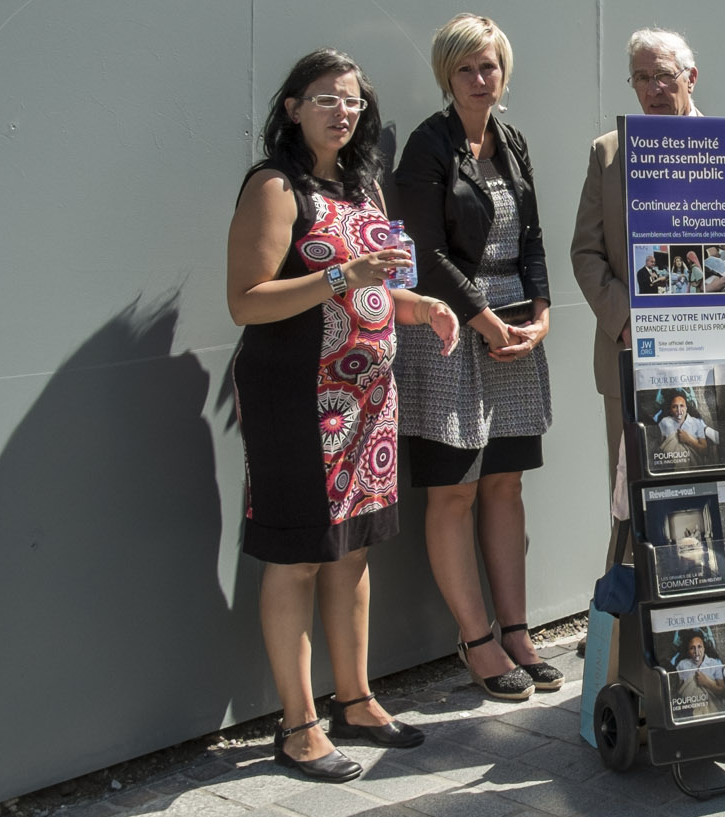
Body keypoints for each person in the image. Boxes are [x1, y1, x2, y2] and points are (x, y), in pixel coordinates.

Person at [227, 49, 458, 783]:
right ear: (293, 107)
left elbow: (377, 286)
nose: (342, 111)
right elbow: (246, 301)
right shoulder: (274, 186)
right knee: (297, 558)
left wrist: (421, 307)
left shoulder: (364, 189)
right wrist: (339, 276)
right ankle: (298, 727)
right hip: (297, 400)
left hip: (367, 403)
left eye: (353, 100)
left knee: (352, 552)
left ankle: (355, 700)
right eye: (326, 98)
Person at [394, 14, 560, 702]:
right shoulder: (428, 145)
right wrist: (482, 319)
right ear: (447, 74)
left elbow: (533, 236)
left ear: (503, 71)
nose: (479, 78)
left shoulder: (511, 141)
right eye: (465, 68)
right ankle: (477, 638)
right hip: (449, 330)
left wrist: (542, 312)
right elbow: (424, 252)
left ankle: (517, 631)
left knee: (505, 483)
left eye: (488, 65)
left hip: (512, 326)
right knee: (454, 489)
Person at [573, 27, 704, 564]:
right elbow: (586, 252)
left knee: (710, 489)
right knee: (634, 501)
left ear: (690, 78)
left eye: (664, 76)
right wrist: (627, 323)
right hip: (631, 354)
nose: (653, 89)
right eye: (641, 78)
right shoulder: (609, 154)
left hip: (709, 354)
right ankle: (626, 611)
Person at [671, 631, 725, 717]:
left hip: (711, 704)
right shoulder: (682, 665)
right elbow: (678, 689)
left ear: (704, 648)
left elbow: (722, 690)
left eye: (699, 647)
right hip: (690, 706)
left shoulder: (714, 663)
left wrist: (707, 682)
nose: (696, 651)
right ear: (688, 651)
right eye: (692, 648)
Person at [654, 392, 714, 467]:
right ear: (671, 410)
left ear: (686, 408)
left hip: (692, 467)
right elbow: (657, 447)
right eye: (675, 406)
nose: (679, 410)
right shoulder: (664, 422)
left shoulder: (697, 423)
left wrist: (689, 440)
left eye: (682, 406)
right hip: (671, 467)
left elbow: (705, 450)